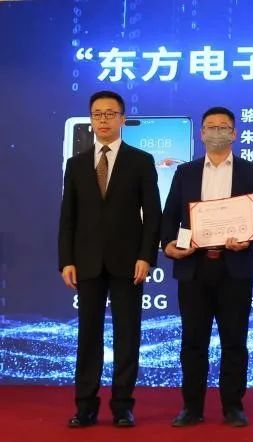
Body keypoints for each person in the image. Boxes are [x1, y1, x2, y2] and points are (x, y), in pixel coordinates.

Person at [161, 106, 253, 428]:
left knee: (234, 341)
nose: (217, 132)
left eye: (223, 127)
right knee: (192, 341)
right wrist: (169, 244)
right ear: (201, 133)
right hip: (194, 267)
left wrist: (247, 239)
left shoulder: (251, 172)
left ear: (234, 133)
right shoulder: (186, 172)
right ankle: (191, 407)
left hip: (234, 267)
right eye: (210, 127)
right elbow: (170, 215)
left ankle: (233, 407)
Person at [59, 90, 161, 428]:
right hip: (87, 262)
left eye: (110, 114)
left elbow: (153, 215)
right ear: (91, 120)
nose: (103, 120)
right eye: (97, 114)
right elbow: (68, 217)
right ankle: (85, 406)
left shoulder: (141, 161)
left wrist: (146, 256)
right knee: (88, 336)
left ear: (122, 119)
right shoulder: (76, 165)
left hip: (128, 263)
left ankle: (122, 407)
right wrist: (66, 260)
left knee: (127, 335)